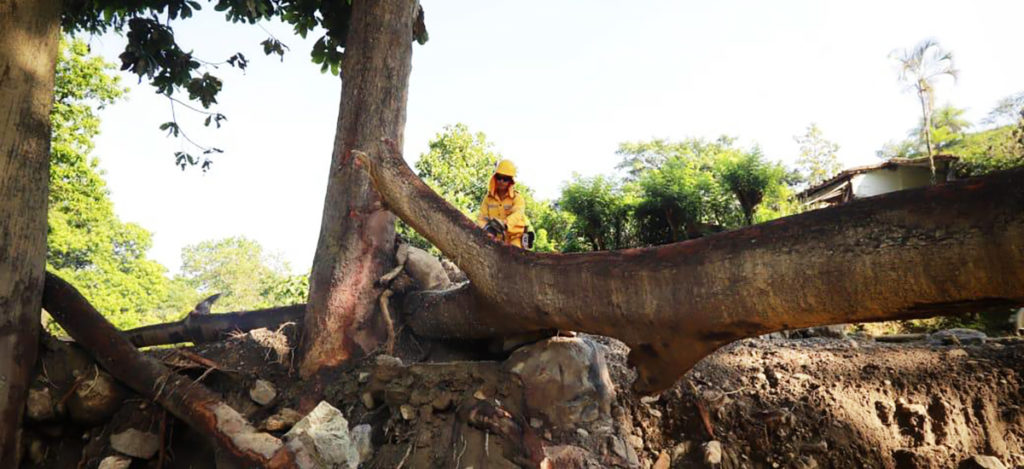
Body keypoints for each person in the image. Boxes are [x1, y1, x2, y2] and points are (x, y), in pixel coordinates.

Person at [477, 159, 531, 248]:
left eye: (505, 179)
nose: (501, 181)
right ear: (495, 178)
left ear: (511, 181)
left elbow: (517, 213)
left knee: (514, 257)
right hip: (495, 239)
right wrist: (487, 228)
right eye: (499, 177)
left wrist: (505, 224)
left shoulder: (517, 198)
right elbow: (481, 217)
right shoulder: (488, 198)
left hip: (515, 238)